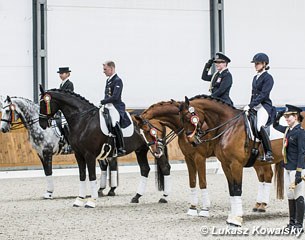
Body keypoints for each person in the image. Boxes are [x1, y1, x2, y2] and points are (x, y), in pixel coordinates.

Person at [273, 104, 305, 232]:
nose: (286, 118)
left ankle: (299, 224)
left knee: (298, 195)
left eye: (288, 116)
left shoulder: (300, 133)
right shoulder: (288, 130)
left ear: (296, 117)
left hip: (296, 169)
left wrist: (299, 172)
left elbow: (302, 153)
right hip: (287, 167)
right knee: (290, 195)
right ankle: (292, 222)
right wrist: (278, 116)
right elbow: (275, 126)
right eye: (285, 116)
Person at [243, 53, 275, 162]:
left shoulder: (268, 78)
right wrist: (250, 106)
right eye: (255, 63)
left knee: (259, 126)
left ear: (265, 64)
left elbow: (263, 95)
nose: (256, 65)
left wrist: (251, 105)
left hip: (264, 106)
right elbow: (253, 94)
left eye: (258, 63)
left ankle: (268, 152)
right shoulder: (255, 77)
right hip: (255, 106)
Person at [100, 61, 130, 155]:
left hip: (115, 107)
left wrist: (102, 101)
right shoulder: (109, 80)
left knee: (114, 122)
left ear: (111, 68)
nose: (103, 71)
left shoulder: (118, 80)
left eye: (105, 69)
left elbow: (115, 97)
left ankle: (120, 147)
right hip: (107, 106)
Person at [57, 67, 74, 154]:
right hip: (62, 109)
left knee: (65, 125)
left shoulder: (69, 84)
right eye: (60, 73)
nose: (60, 75)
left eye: (62, 73)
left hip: (67, 109)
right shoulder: (61, 85)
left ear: (67, 74)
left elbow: (67, 97)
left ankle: (70, 144)